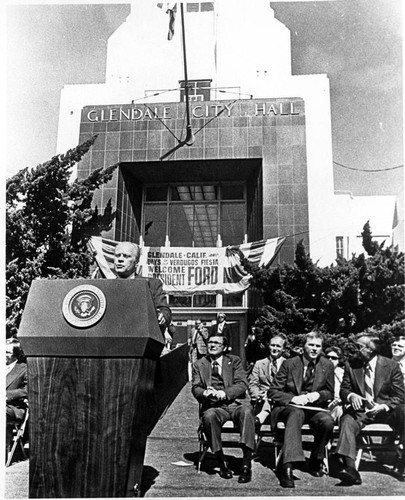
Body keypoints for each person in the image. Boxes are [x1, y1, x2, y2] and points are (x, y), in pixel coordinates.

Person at [334, 333, 405, 486]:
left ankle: (403, 464)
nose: (354, 350)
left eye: (358, 347)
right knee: (346, 420)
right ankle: (350, 469)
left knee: (404, 411)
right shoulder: (351, 365)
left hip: (386, 411)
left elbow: (400, 396)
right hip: (361, 411)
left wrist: (384, 406)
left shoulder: (391, 366)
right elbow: (344, 390)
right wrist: (351, 396)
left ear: (370, 349)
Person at [268, 331, 335, 488]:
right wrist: (293, 399)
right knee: (296, 413)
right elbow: (273, 391)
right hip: (289, 408)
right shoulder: (290, 364)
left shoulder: (327, 365)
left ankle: (316, 459)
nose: (314, 349)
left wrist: (317, 395)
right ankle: (287, 466)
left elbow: (330, 392)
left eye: (318, 346)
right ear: (302, 347)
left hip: (313, 408)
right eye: (311, 345)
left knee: (327, 421)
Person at [191, 333, 255, 483]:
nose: (212, 345)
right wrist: (205, 393)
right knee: (208, 416)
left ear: (224, 347)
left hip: (235, 403)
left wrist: (223, 393)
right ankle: (222, 461)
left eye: (217, 343)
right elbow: (195, 387)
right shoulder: (199, 364)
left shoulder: (234, 361)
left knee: (247, 412)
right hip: (215, 407)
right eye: (210, 343)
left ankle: (246, 464)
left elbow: (241, 384)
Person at [94, 241, 171, 331]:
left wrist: (162, 316)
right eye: (117, 255)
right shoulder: (105, 287)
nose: (120, 259)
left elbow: (165, 311)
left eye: (126, 256)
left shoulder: (151, 284)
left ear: (136, 262)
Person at [248, 333, 287, 430]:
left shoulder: (288, 364)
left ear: (283, 349)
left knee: (273, 398)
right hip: (262, 400)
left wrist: (275, 395)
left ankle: (260, 417)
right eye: (272, 345)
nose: (275, 348)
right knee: (266, 399)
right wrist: (257, 395)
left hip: (281, 402)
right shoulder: (259, 363)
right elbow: (253, 383)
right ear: (268, 346)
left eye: (278, 346)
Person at [6, 338, 28, 447]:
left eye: (7, 352)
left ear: (16, 355)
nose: (3, 354)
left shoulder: (24, 368)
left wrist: (7, 395)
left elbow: (29, 390)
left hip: (14, 408)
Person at [325, 346, 345, 422]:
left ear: (339, 360)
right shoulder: (319, 372)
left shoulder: (342, 374)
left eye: (334, 358)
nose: (330, 360)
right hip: (324, 407)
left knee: (340, 410)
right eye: (328, 357)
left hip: (339, 405)